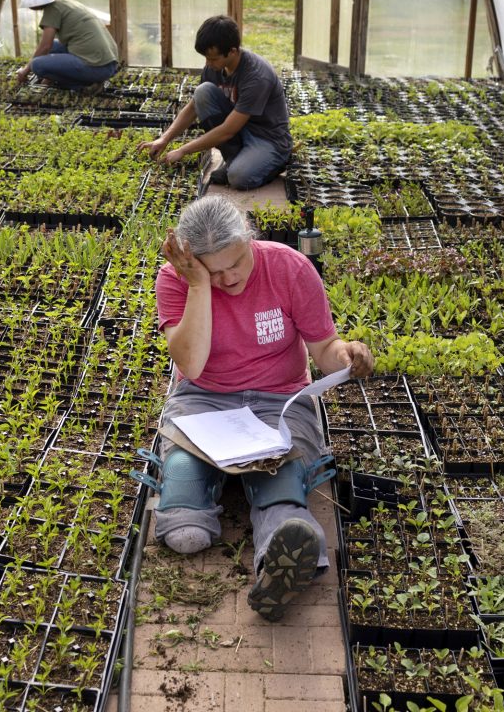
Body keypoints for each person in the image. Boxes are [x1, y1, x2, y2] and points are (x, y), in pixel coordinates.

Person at [151, 196, 374, 621]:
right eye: (212, 270)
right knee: (184, 526)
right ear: (192, 263)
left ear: (250, 240)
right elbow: (191, 365)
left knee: (283, 473)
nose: (228, 277)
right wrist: (198, 286)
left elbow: (323, 349)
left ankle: (283, 550)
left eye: (235, 263)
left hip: (279, 399)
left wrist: (347, 353)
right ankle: (194, 499)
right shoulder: (176, 280)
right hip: (204, 398)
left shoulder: (289, 268)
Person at [138, 15, 291, 190]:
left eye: (213, 58)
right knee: (202, 92)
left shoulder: (256, 76)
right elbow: (193, 107)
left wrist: (183, 150)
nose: (208, 64)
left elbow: (227, 131)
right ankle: (236, 159)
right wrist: (164, 139)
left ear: (232, 51)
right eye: (206, 58)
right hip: (241, 129)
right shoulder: (215, 67)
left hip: (267, 138)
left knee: (238, 178)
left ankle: (273, 163)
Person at [15, 0, 120, 90]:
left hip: (96, 67)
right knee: (55, 46)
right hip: (109, 64)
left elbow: (45, 46)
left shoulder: (54, 5)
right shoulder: (68, 1)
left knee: (36, 65)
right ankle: (66, 79)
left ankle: (84, 86)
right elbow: (49, 46)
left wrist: (25, 71)